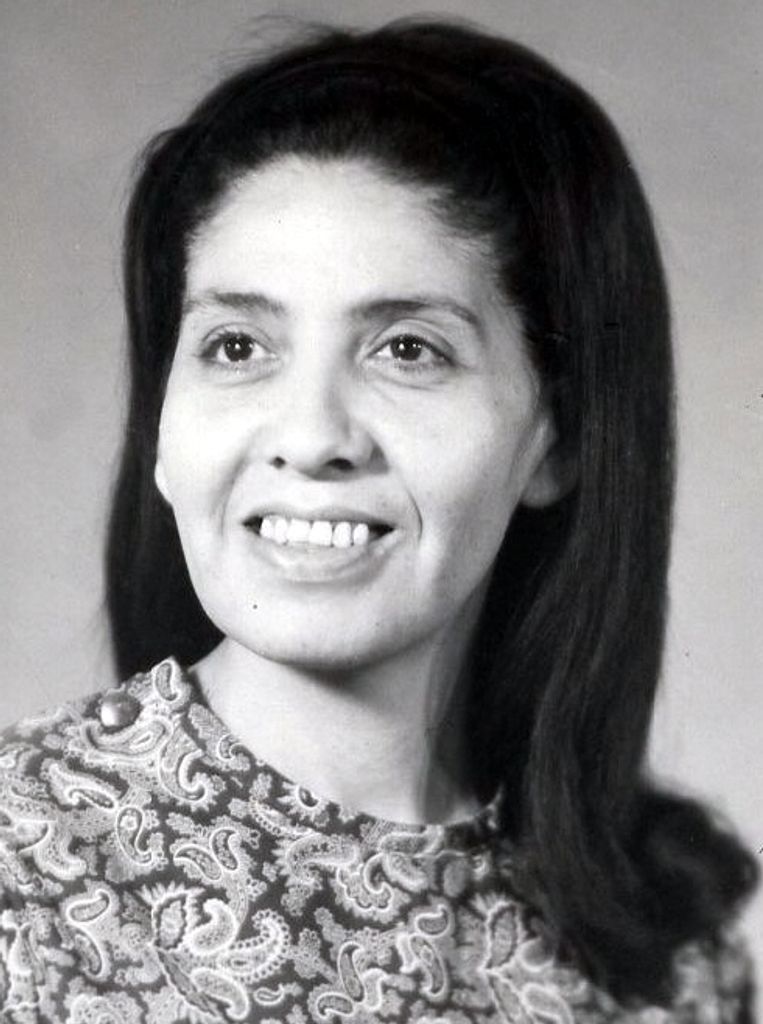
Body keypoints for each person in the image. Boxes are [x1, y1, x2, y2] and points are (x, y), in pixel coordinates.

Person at [0, 18, 757, 1023]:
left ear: (558, 439)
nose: (312, 436)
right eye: (236, 345)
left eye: (407, 349)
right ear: (163, 431)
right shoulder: (20, 872)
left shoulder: (669, 959)